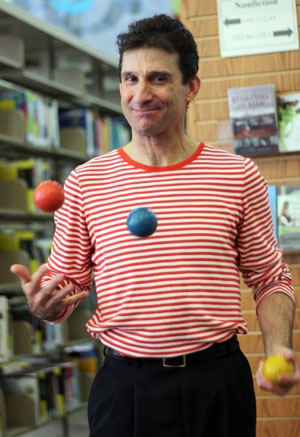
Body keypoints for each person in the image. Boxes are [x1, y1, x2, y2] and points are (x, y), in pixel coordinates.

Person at [11, 14, 300, 437]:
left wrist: (280, 347)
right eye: (130, 79)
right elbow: (66, 282)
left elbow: (270, 277)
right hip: (126, 387)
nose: (140, 94)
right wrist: (45, 307)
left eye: (158, 78)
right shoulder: (86, 181)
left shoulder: (237, 175)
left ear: (191, 87)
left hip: (216, 382)